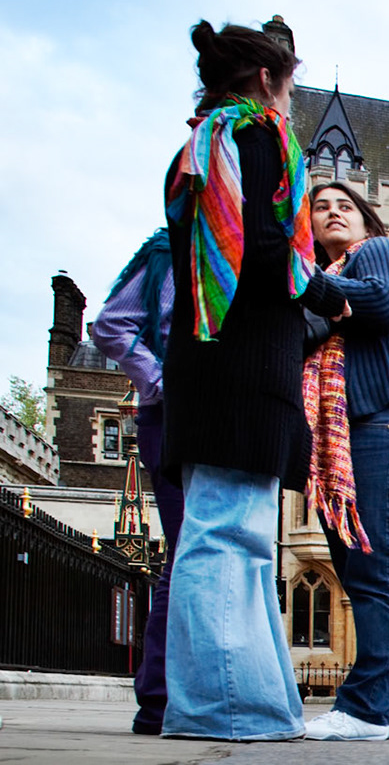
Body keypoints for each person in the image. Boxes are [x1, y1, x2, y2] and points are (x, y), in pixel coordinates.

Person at [161, 20, 349, 741]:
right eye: (291, 85)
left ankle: (245, 704)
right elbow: (270, 252)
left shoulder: (195, 146)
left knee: (226, 538)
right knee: (228, 539)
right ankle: (226, 707)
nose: (291, 100)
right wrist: (334, 298)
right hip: (240, 371)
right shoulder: (256, 135)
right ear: (270, 80)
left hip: (207, 365)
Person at [299, 182, 389, 742]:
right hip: (348, 441)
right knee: (359, 572)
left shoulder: (379, 253)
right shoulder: (332, 284)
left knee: (376, 574)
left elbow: (378, 304)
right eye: (320, 208)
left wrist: (304, 281)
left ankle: (368, 710)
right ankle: (361, 706)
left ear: (365, 219)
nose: (332, 213)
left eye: (344, 206)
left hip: (386, 425)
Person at [90, 229, 180, 735]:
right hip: (170, 417)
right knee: (188, 552)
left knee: (196, 553)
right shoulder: (172, 251)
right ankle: (158, 700)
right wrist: (159, 379)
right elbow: (111, 325)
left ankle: (169, 697)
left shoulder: (244, 252)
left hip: (220, 421)